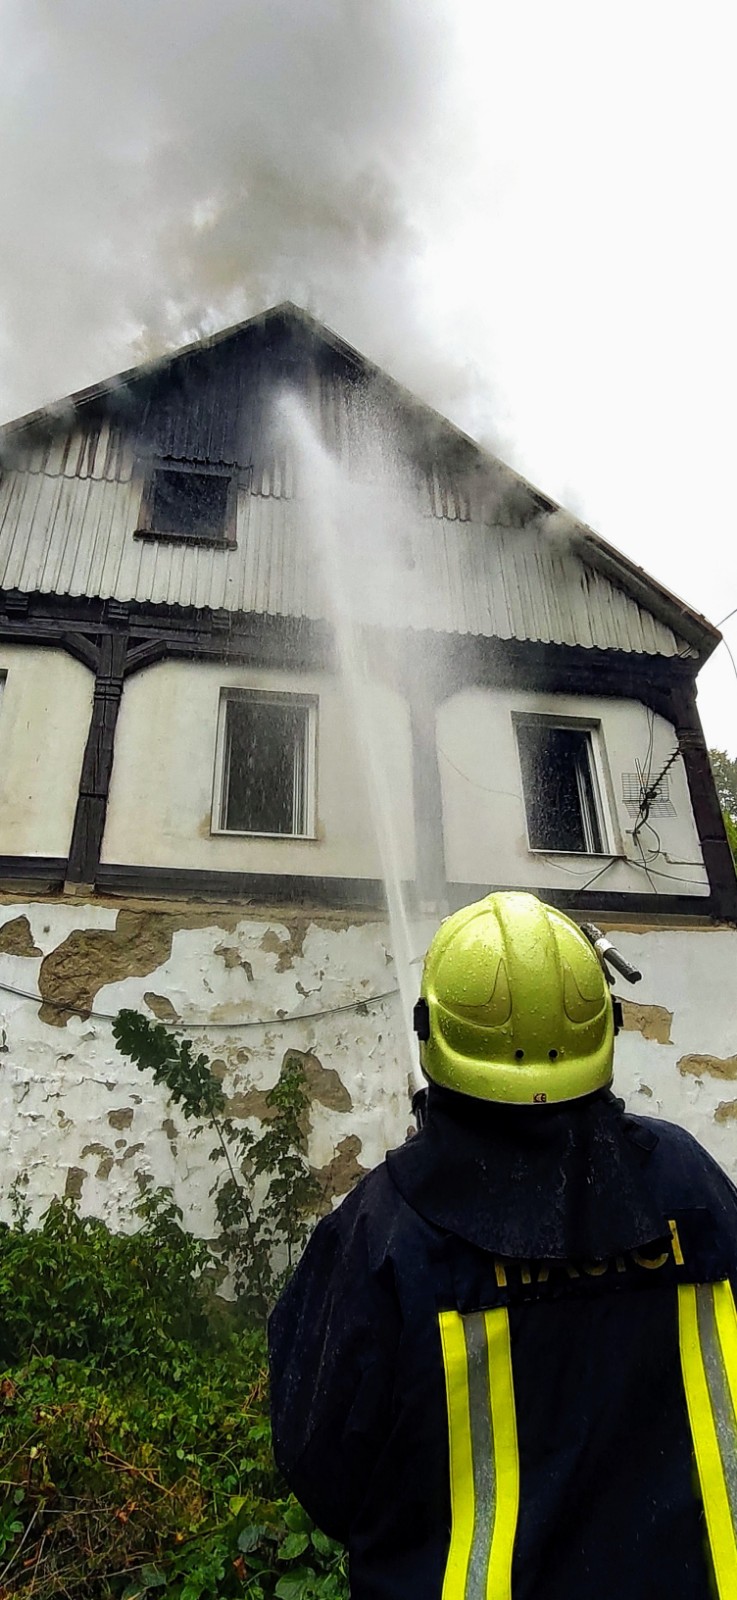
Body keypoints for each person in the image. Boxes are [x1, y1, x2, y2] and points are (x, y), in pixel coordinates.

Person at [268, 891, 737, 1600]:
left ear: (434, 1032)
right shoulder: (689, 1180)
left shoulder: (385, 1230)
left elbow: (320, 1462)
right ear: (603, 1025)